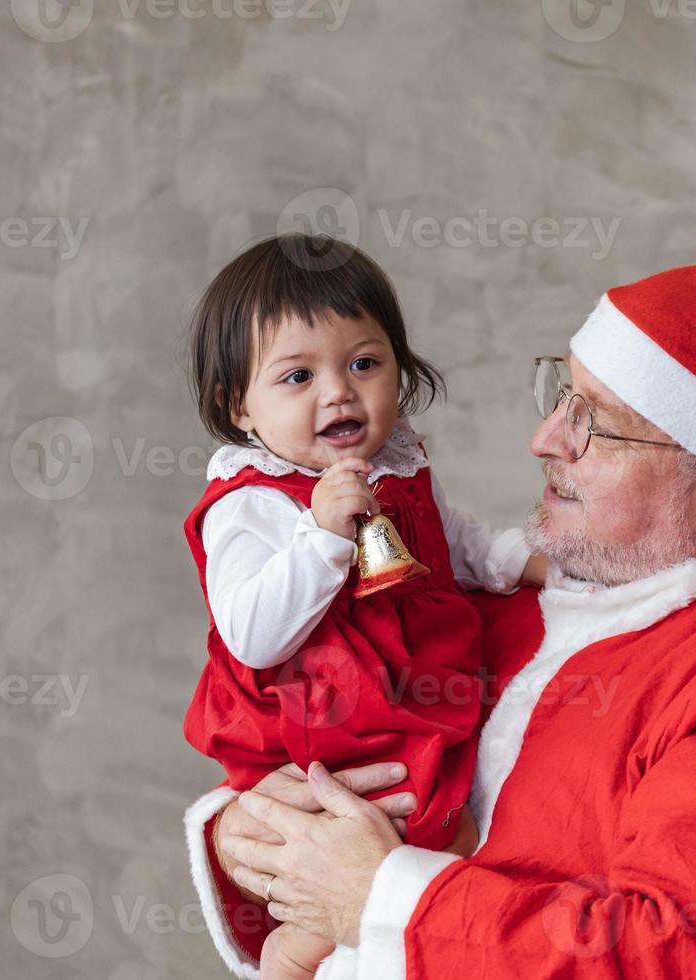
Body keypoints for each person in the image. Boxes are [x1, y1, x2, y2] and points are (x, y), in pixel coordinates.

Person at [186, 219, 696, 978]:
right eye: (562, 395)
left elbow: (688, 955)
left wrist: (378, 895)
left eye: (598, 425)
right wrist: (248, 833)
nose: (546, 438)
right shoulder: (495, 607)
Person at [180, 233, 546, 979]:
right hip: (321, 713)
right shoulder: (247, 504)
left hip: (410, 685)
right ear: (237, 407)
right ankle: (295, 953)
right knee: (420, 830)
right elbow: (252, 635)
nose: (338, 391)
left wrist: (526, 561)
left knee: (458, 837)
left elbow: (457, 544)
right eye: (296, 376)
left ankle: (377, 945)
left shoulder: (400, 463)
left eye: (364, 363)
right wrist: (320, 537)